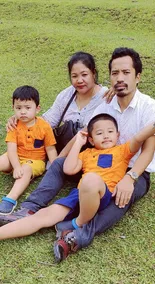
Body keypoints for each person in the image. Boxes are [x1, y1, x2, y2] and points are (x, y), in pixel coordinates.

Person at [52, 47, 155, 261]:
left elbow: (148, 150)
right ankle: (32, 210)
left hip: (135, 169)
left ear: (138, 77)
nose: (120, 78)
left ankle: (78, 236)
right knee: (61, 166)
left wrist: (130, 177)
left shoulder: (149, 107)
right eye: (115, 73)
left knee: (121, 196)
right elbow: (86, 133)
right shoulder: (106, 102)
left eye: (126, 73)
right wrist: (62, 155)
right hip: (103, 163)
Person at [0, 114, 154, 243]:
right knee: (43, 215)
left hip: (103, 195)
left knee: (91, 179)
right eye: (99, 133)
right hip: (80, 194)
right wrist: (78, 143)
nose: (106, 135)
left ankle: (77, 223)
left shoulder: (123, 150)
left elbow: (141, 136)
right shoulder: (85, 154)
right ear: (91, 140)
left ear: (117, 135)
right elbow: (68, 168)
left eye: (110, 131)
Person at [0, 51, 113, 223]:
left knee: (59, 167)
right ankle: (28, 208)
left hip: (88, 157)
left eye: (84, 74)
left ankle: (29, 206)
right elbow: (47, 121)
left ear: (94, 73)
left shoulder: (106, 97)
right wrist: (22, 119)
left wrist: (57, 162)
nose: (79, 80)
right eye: (74, 76)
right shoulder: (67, 95)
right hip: (62, 152)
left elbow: (88, 132)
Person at [0, 85, 57, 215]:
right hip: (16, 157)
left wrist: (55, 168)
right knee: (2, 160)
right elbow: (11, 149)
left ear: (37, 109)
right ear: (13, 108)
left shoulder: (44, 126)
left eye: (27, 108)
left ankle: (10, 199)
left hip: (35, 161)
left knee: (25, 170)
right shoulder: (14, 125)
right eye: (18, 108)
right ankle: (17, 170)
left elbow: (51, 149)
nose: (23, 112)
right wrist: (16, 166)